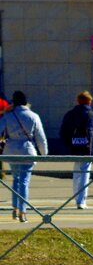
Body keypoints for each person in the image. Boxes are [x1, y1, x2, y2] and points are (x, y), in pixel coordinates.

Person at [0, 90, 47, 222]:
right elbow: (40, 137)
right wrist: (44, 154)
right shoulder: (33, 116)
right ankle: (23, 212)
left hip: (11, 151)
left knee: (16, 179)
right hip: (27, 151)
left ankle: (14, 209)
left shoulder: (8, 116)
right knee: (24, 182)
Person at [60, 90, 93, 209]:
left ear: (78, 101)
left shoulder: (69, 114)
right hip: (87, 148)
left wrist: (69, 144)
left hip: (74, 147)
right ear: (89, 102)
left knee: (77, 172)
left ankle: (77, 196)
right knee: (84, 174)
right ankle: (81, 200)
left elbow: (63, 132)